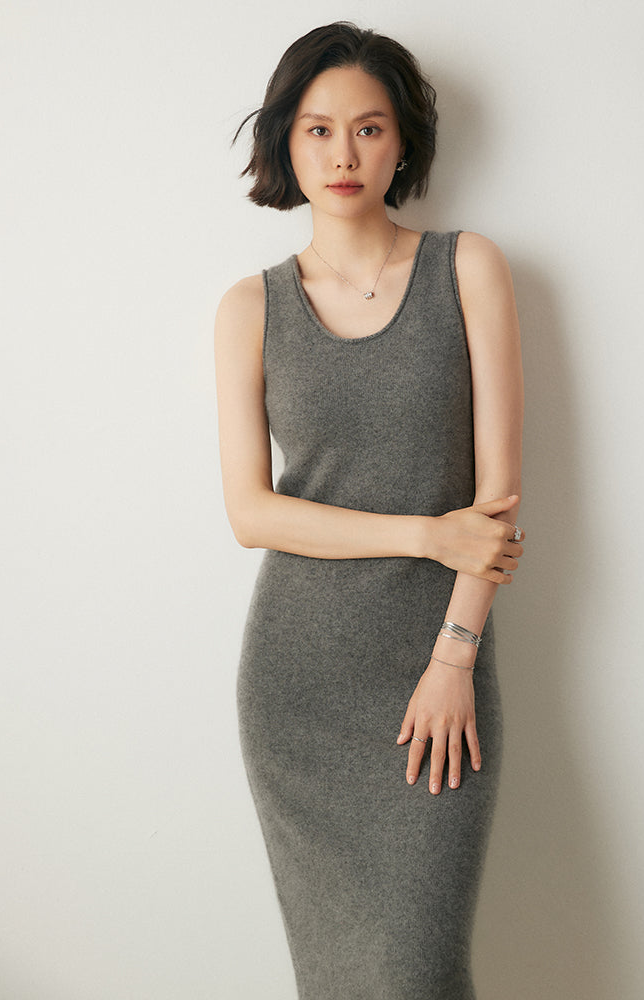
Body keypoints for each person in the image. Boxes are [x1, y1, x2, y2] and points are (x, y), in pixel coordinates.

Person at [214, 21, 524, 1000]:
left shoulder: (468, 267)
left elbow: (499, 501)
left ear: (402, 143)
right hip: (298, 689)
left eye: (368, 127)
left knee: (419, 973)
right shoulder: (250, 309)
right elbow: (253, 514)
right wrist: (426, 533)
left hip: (440, 674)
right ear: (286, 142)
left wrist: (454, 656)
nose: (342, 154)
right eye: (317, 129)